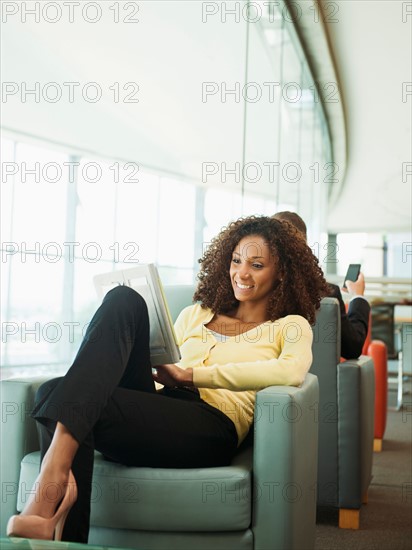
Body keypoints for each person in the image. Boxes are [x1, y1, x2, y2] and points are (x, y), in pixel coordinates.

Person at [7, 215, 329, 543]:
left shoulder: (290, 325)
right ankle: (58, 502)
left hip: (210, 427)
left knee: (57, 394)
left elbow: (289, 372)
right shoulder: (196, 313)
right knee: (123, 300)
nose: (241, 273)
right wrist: (151, 368)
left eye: (257, 265)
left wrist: (192, 375)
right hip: (159, 410)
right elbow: (163, 367)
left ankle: (52, 491)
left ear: (282, 273)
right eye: (236, 261)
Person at [273, 211, 371, 359]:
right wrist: (358, 296)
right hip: (318, 381)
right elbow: (352, 348)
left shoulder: (254, 291)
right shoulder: (327, 293)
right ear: (304, 247)